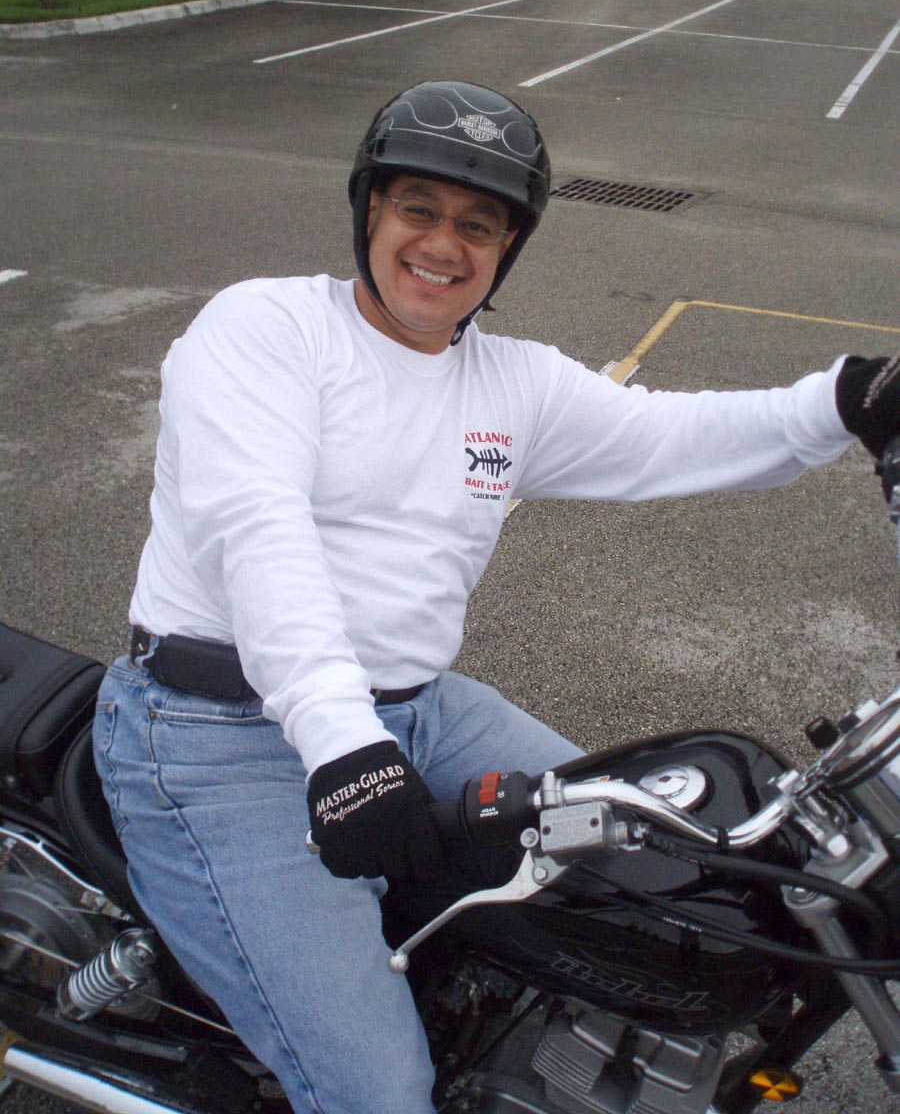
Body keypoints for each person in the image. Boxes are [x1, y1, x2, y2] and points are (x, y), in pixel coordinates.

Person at [93, 79, 900, 1114]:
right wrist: (344, 747)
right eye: (417, 208)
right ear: (369, 209)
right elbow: (260, 534)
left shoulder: (512, 383)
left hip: (417, 711)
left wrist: (846, 398)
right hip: (215, 733)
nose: (443, 244)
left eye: (479, 224)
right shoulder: (265, 328)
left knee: (670, 875)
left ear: (508, 246)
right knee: (381, 1095)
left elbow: (669, 434)